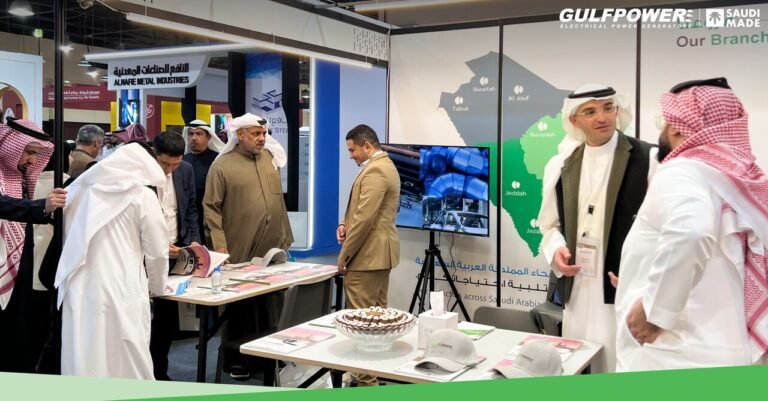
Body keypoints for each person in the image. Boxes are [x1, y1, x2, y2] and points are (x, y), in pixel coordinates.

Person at [615, 78, 768, 371]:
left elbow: (691, 233)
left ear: (676, 127)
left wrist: (656, 311)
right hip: (727, 347)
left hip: (675, 353)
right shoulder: (738, 179)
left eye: (664, 122)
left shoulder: (683, 171)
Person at [537, 84, 657, 372]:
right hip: (578, 287)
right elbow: (549, 224)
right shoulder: (561, 164)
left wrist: (642, 273)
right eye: (590, 112)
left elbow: (662, 230)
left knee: (621, 363)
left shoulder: (649, 158)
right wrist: (556, 250)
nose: (602, 117)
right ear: (574, 120)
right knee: (578, 363)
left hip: (623, 285)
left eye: (607, 108)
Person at [55, 142, 168, 379]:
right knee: (128, 356)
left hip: (79, 286)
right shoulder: (142, 196)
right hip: (123, 286)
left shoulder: (77, 190)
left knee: (83, 354)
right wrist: (157, 287)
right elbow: (157, 251)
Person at [203, 113, 292, 379]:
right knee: (240, 308)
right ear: (239, 135)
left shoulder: (269, 160)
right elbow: (211, 209)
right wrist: (220, 247)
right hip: (239, 248)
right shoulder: (222, 166)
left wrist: (285, 236)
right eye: (256, 134)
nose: (262, 139)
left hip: (272, 248)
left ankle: (269, 357)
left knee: (271, 305)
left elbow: (278, 202)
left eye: (263, 134)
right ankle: (238, 362)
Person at [0, 118, 66, 373]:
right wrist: (41, 207)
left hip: (20, 269)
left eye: (36, 154)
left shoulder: (17, 178)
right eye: (29, 152)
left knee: (17, 332)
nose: (31, 160)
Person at [336, 124, 400, 386]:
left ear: (367, 146)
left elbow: (364, 219)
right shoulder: (383, 166)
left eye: (352, 150)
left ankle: (366, 382)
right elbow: (361, 213)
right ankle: (373, 375)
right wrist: (345, 223)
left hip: (367, 257)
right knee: (377, 320)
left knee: (362, 323)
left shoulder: (376, 171)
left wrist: (345, 254)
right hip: (379, 255)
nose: (351, 155)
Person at [149, 132, 201, 381]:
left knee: (167, 319)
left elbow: (190, 208)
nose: (169, 169)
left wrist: (194, 240)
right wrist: (157, 246)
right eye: (164, 164)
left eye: (175, 164)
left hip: (176, 251)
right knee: (143, 318)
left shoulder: (186, 170)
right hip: (147, 255)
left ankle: (160, 371)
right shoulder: (140, 174)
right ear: (154, 155)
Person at [182, 120, 224, 247]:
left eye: (199, 134)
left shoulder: (218, 160)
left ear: (209, 137)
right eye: (191, 134)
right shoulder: (182, 160)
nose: (194, 138)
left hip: (211, 215)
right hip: (188, 218)